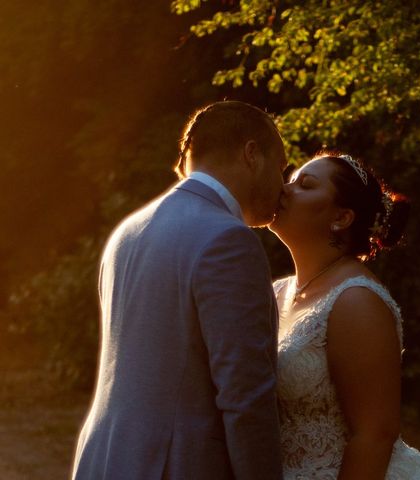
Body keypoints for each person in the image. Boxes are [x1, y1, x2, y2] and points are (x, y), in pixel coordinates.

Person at [72, 101, 287, 480]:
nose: (283, 186)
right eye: (281, 168)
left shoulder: (128, 232)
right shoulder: (227, 240)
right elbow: (245, 395)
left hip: (105, 460)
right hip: (177, 466)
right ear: (252, 154)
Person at [269, 152, 420, 479]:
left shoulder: (356, 300)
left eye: (306, 184)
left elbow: (374, 435)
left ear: (341, 217)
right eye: (290, 180)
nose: (285, 189)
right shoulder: (276, 292)